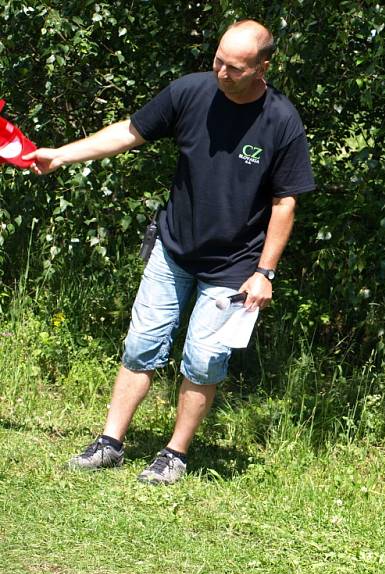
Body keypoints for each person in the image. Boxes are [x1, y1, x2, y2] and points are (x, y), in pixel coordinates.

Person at [24, 19, 315, 484]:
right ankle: (110, 443)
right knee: (142, 344)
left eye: (235, 67)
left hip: (235, 266)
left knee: (203, 359)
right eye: (218, 59)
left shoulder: (281, 120)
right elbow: (129, 132)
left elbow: (286, 202)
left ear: (263, 67)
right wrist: (61, 154)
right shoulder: (191, 92)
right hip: (174, 248)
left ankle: (174, 454)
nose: (221, 72)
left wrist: (266, 272)